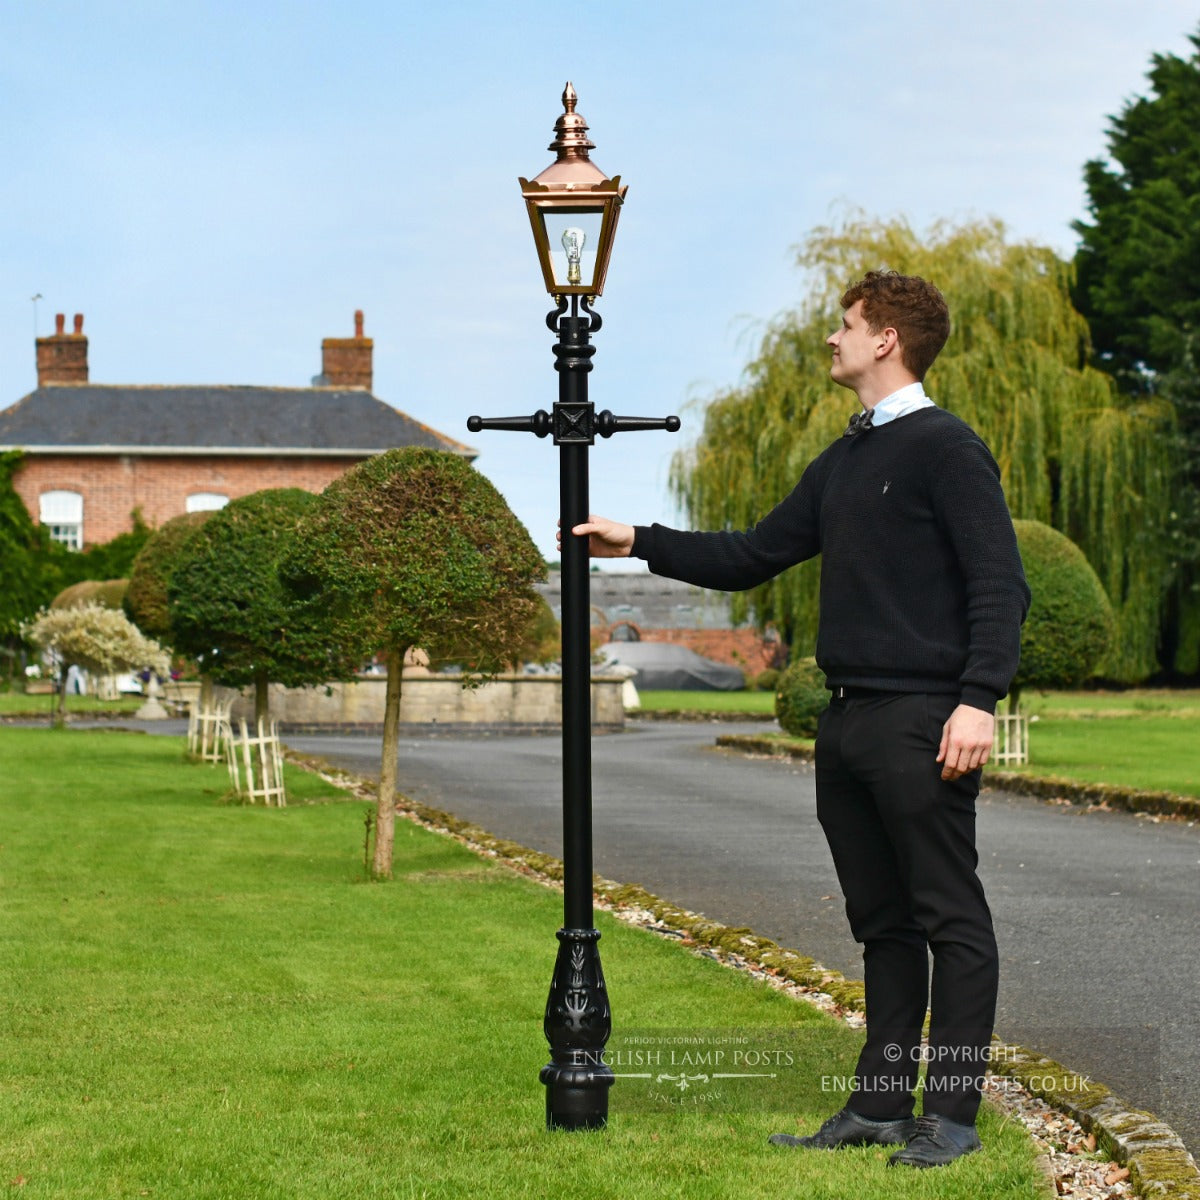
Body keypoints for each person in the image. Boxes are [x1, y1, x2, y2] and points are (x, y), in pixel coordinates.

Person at [565, 271, 1030, 1169]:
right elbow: (753, 554)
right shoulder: (846, 458)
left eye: (846, 324)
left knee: (950, 919)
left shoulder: (947, 448)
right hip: (847, 722)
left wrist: (978, 699)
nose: (832, 337)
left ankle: (953, 1117)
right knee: (882, 924)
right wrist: (640, 541)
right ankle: (881, 1106)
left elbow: (999, 585)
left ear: (887, 339)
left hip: (922, 719)